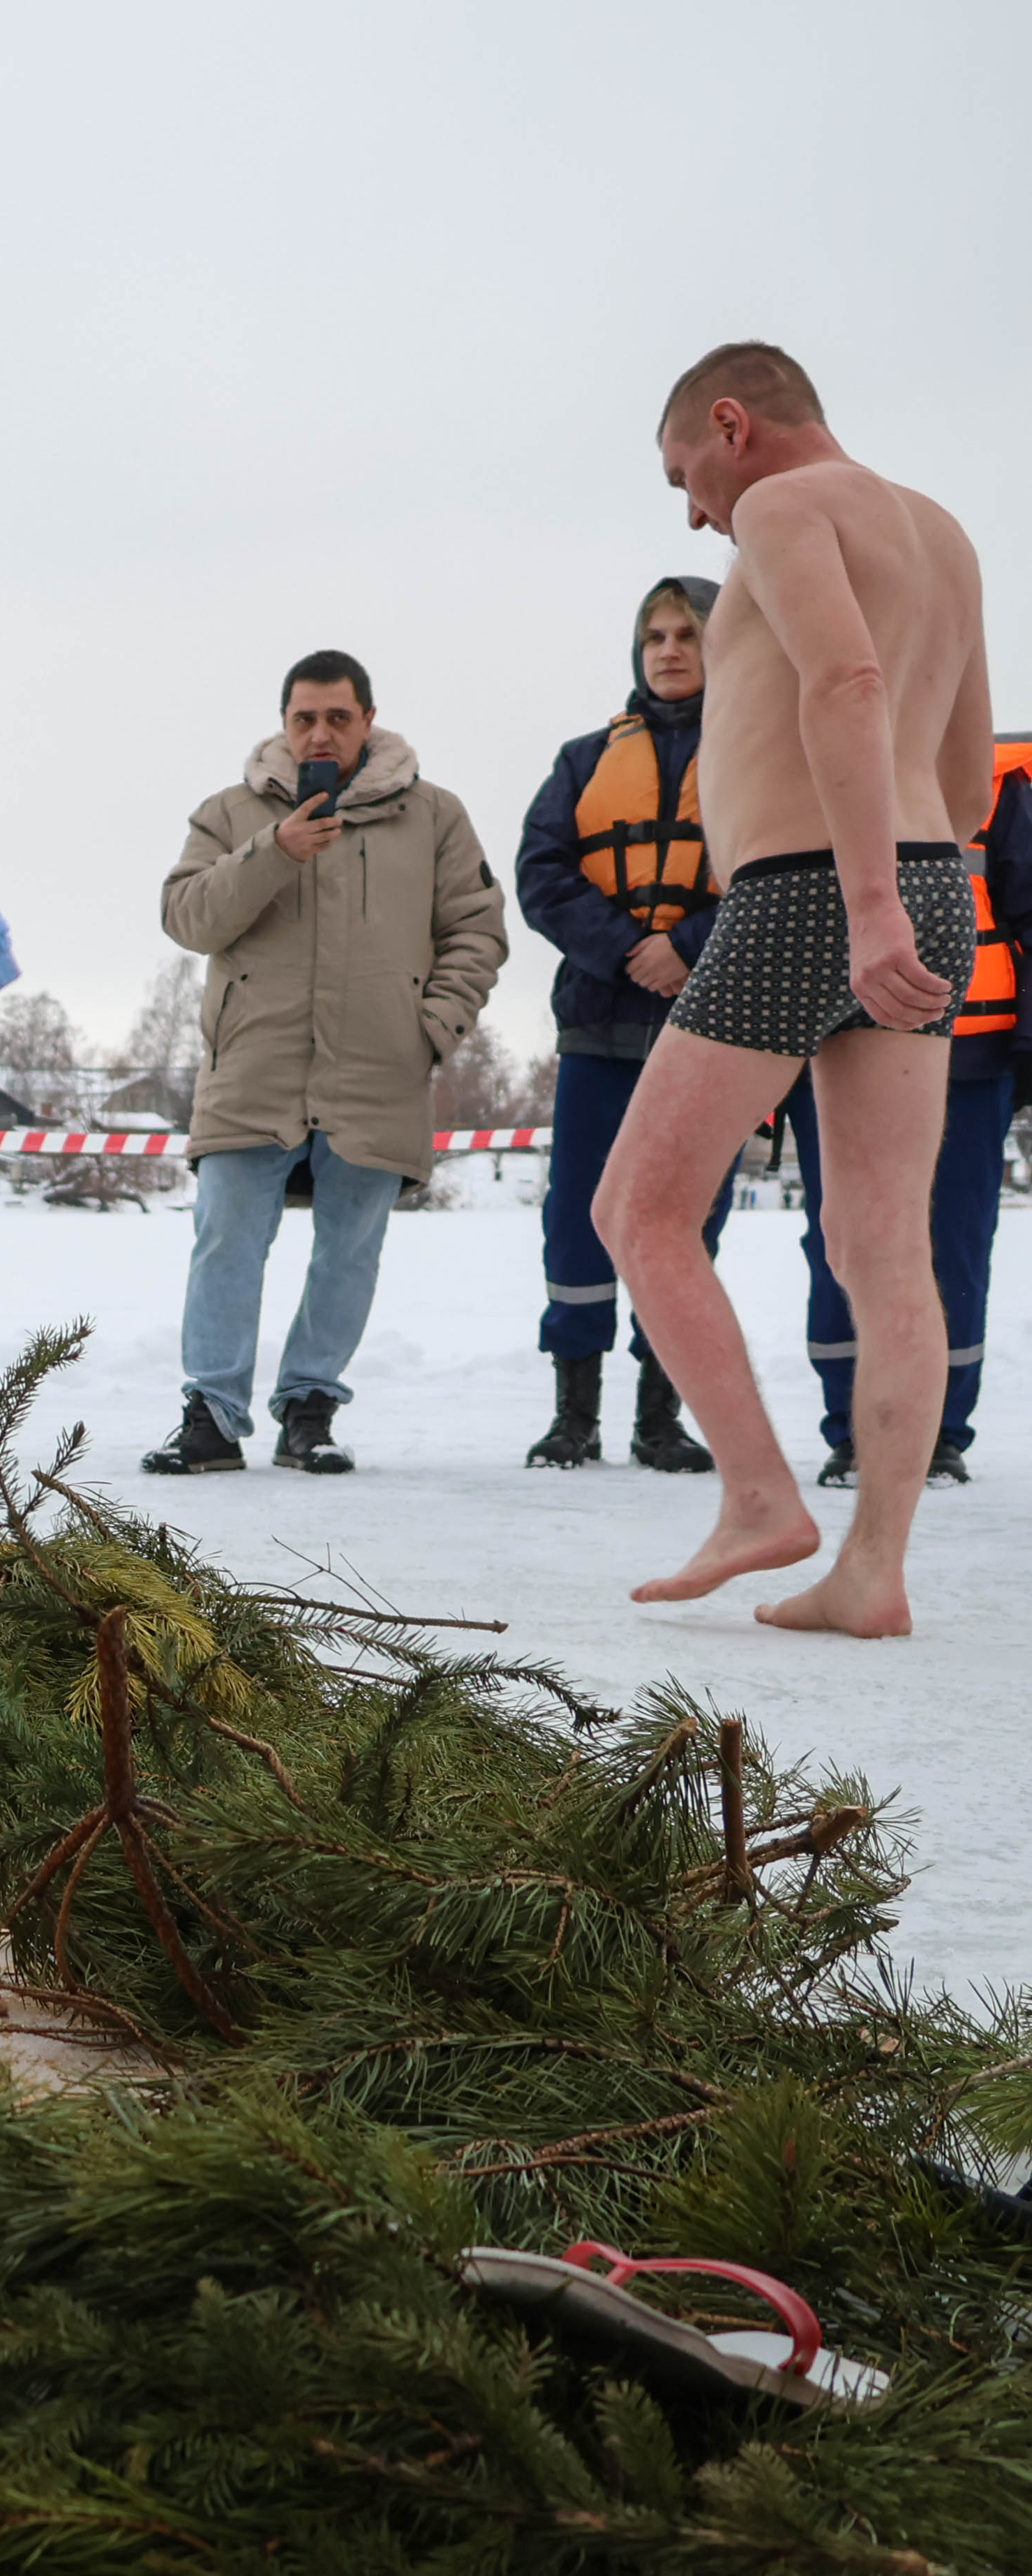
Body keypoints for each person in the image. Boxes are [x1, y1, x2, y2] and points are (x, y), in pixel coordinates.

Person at [590, 342, 994, 1636]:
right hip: (932, 875)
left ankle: (760, 1495)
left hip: (817, 891)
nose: (693, 511)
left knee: (639, 1206)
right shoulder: (939, 531)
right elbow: (970, 765)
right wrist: (912, 891)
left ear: (729, 426)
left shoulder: (778, 504)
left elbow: (849, 683)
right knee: (883, 1243)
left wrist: (863, 901)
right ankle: (872, 1571)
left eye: (683, 476)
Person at [143, 650, 507, 1477]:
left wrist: (431, 1028)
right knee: (226, 1238)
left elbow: (478, 930)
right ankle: (211, 1414)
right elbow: (187, 918)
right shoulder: (229, 813)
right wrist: (274, 849)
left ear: (368, 721)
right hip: (252, 1069)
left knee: (351, 1247)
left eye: (338, 717)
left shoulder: (436, 816)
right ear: (284, 723)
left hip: (378, 1070)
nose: (321, 732)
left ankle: (310, 1406)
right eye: (305, 717)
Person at [511, 577, 733, 1471]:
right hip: (600, 1026)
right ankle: (575, 1414)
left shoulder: (765, 754)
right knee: (578, 1218)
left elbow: (782, 871)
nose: (671, 649)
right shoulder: (584, 759)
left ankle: (659, 1415)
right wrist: (627, 949)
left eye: (689, 634)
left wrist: (686, 945)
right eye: (656, 636)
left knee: (690, 1220)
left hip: (712, 1029)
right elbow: (542, 872)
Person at [774, 730, 1027, 1488]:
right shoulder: (799, 758)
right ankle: (852, 1431)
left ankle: (940, 1433)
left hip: (969, 1059)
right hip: (836, 1047)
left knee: (953, 1248)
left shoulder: (997, 778)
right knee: (842, 1246)